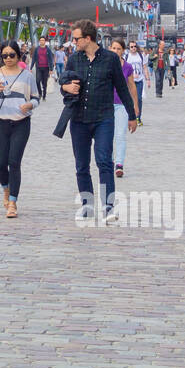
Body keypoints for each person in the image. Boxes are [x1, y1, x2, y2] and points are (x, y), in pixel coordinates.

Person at [61, 20, 136, 221]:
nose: (73, 42)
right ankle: (87, 206)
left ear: (88, 38)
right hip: (78, 119)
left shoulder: (110, 59)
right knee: (81, 165)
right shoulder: (74, 59)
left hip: (103, 118)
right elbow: (64, 82)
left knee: (104, 161)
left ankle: (109, 207)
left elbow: (122, 88)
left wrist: (132, 116)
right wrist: (65, 88)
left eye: (76, 38)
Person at [0, 40, 39, 218]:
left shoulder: (27, 76)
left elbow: (36, 98)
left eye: (12, 55)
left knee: (14, 162)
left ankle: (13, 203)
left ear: (18, 55)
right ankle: (6, 189)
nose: (8, 58)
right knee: (0, 165)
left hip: (21, 123)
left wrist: (30, 104)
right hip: (1, 123)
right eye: (5, 55)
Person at [108, 37, 139, 179]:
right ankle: (108, 161)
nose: (115, 51)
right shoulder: (105, 64)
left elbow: (132, 86)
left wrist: (135, 105)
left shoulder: (127, 67)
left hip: (121, 105)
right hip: (105, 105)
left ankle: (119, 164)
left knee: (120, 135)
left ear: (123, 51)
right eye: (113, 48)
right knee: (107, 135)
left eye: (118, 49)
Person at [126, 41, 146, 124]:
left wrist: (148, 79)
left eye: (135, 46)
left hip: (139, 80)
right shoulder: (127, 56)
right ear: (129, 48)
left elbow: (144, 67)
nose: (133, 48)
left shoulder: (140, 56)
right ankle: (131, 116)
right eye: (131, 47)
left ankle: (138, 117)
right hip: (130, 81)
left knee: (139, 99)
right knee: (130, 99)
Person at [33, 35, 53, 101]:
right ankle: (40, 93)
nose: (42, 41)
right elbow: (34, 58)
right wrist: (31, 67)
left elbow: (50, 59)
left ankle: (44, 96)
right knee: (37, 81)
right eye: (41, 40)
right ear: (39, 41)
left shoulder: (48, 49)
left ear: (45, 41)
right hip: (38, 67)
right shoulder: (37, 49)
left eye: (43, 40)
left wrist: (51, 69)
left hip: (46, 68)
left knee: (44, 83)